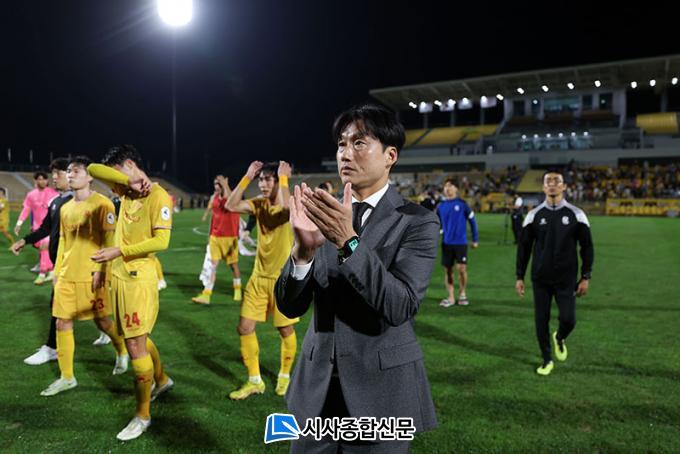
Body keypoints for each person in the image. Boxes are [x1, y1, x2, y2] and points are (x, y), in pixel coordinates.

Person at [275, 104, 439, 452]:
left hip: (381, 392)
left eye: (359, 143)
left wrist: (347, 241)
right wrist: (302, 254)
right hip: (316, 390)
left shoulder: (417, 221)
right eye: (341, 144)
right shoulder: (320, 212)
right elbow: (289, 307)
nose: (345, 153)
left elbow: (400, 306)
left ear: (390, 155)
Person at [89, 145, 174, 441]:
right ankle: (162, 380)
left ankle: (142, 416)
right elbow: (92, 169)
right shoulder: (126, 191)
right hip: (119, 277)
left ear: (128, 163)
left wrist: (119, 251)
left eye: (117, 174)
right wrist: (129, 180)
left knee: (135, 345)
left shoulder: (158, 196)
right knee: (135, 338)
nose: (112, 183)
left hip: (139, 279)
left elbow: (162, 242)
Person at [39, 156, 129, 397]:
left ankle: (121, 350)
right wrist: (57, 272)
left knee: (103, 322)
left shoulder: (103, 205)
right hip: (67, 276)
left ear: (90, 176)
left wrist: (102, 271)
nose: (70, 174)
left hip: (92, 276)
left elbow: (109, 241)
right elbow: (63, 243)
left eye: (76, 171)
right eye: (69, 171)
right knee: (61, 322)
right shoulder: (65, 208)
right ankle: (67, 377)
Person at [225, 160, 298, 400]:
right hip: (258, 278)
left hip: (283, 280)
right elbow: (230, 204)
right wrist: (247, 176)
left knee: (284, 328)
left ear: (279, 181)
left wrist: (284, 179)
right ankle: (255, 381)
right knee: (244, 327)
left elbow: (286, 208)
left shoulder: (292, 203)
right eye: (261, 180)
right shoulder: (259, 204)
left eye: (268, 179)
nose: (263, 184)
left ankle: (284, 375)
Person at [516, 170, 594, 376]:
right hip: (540, 278)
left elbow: (587, 247)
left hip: (566, 278)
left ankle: (559, 337)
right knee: (541, 320)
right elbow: (524, 248)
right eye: (548, 181)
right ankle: (547, 359)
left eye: (556, 181)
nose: (552, 184)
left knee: (569, 319)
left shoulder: (576, 214)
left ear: (564, 186)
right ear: (543, 187)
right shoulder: (533, 215)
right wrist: (519, 276)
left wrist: (586, 276)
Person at [12, 158, 71, 365]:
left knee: (65, 308)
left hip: (74, 266)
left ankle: (52, 348)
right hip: (61, 266)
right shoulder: (56, 202)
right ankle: (53, 347)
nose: (54, 177)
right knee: (63, 308)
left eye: (58, 173)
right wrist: (24, 241)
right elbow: (45, 228)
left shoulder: (80, 203)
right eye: (52, 173)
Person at [192, 175, 242, 304]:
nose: (217, 186)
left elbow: (230, 201)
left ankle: (237, 289)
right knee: (212, 266)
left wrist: (225, 184)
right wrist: (210, 235)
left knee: (233, 265)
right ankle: (206, 295)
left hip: (230, 237)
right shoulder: (214, 197)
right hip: (215, 237)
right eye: (215, 184)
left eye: (219, 184)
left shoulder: (232, 196)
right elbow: (214, 216)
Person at [436, 179, 479, 307]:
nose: (447, 188)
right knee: (448, 271)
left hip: (460, 242)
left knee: (461, 269)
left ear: (456, 189)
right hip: (446, 243)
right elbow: (436, 224)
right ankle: (451, 297)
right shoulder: (440, 206)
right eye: (445, 186)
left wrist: (475, 239)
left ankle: (462, 293)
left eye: (450, 185)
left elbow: (472, 222)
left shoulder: (462, 204)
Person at [14, 171, 59, 284]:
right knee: (43, 250)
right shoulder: (31, 195)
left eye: (44, 179)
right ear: (35, 181)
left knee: (44, 247)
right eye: (39, 179)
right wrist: (19, 223)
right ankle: (52, 270)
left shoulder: (53, 193)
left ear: (47, 180)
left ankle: (42, 274)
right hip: (37, 228)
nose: (42, 181)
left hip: (49, 228)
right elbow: (26, 209)